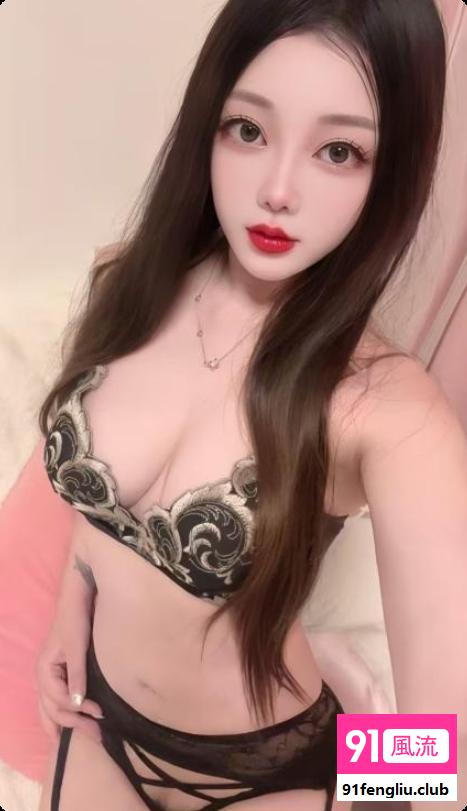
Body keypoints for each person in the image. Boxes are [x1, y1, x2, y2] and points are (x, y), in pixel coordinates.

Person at [34, 1, 463, 810]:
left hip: (263, 772)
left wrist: (359, 781)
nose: (276, 191)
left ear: (391, 169)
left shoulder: (390, 412)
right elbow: (102, 506)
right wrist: (71, 605)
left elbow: (449, 755)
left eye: (338, 151)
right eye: (248, 129)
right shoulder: (127, 279)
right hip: (99, 718)